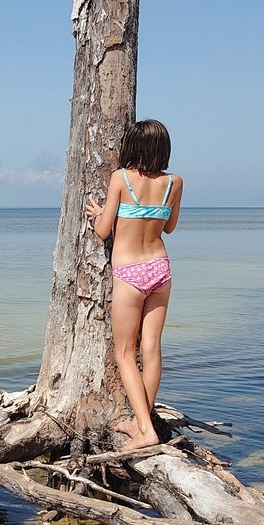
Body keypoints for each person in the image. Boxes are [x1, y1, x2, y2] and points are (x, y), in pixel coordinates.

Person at [85, 120, 184, 451]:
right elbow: (168, 227)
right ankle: (144, 419)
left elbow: (102, 231)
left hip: (129, 272)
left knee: (125, 352)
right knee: (151, 349)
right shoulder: (174, 182)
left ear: (132, 147)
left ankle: (145, 430)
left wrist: (101, 213)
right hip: (160, 267)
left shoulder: (121, 178)